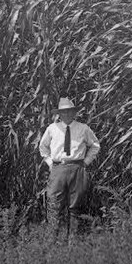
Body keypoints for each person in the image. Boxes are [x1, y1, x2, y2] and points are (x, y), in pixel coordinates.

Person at [39, 97, 100, 239]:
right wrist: (50, 163)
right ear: (59, 114)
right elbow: (43, 147)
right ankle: (52, 240)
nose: (66, 114)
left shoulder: (83, 128)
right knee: (54, 203)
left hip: (78, 168)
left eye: (69, 111)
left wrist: (86, 162)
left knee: (75, 205)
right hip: (58, 169)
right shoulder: (52, 129)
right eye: (63, 112)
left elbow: (95, 145)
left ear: (74, 113)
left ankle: (73, 241)